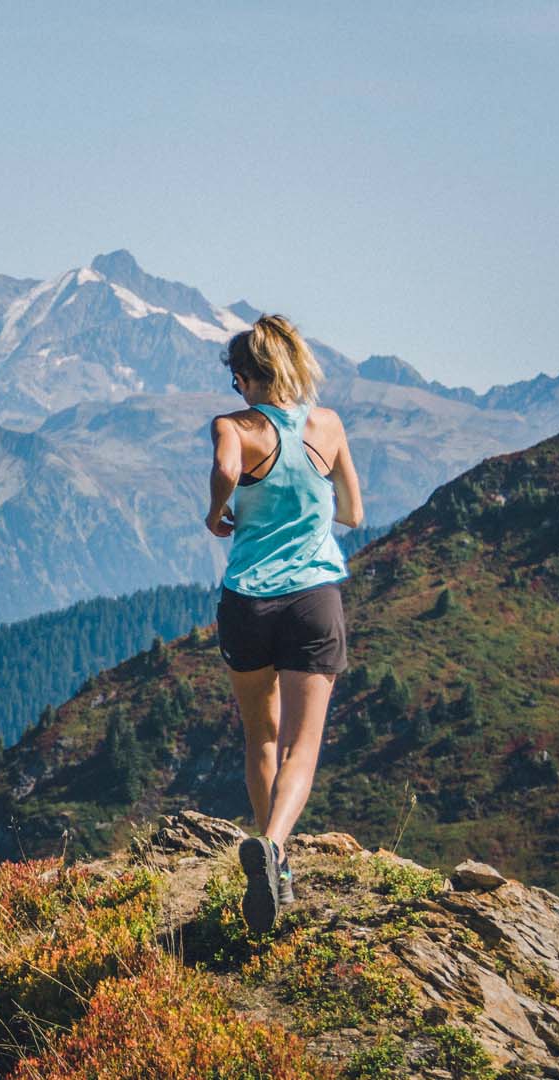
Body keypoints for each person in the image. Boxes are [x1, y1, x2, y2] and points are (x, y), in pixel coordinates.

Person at [204, 314, 365, 934]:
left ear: (246, 377)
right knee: (304, 742)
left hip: (246, 600)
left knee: (260, 736)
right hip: (311, 601)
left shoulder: (234, 427)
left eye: (238, 380)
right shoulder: (327, 426)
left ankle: (277, 864)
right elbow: (353, 511)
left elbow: (224, 471)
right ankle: (273, 847)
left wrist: (220, 511)